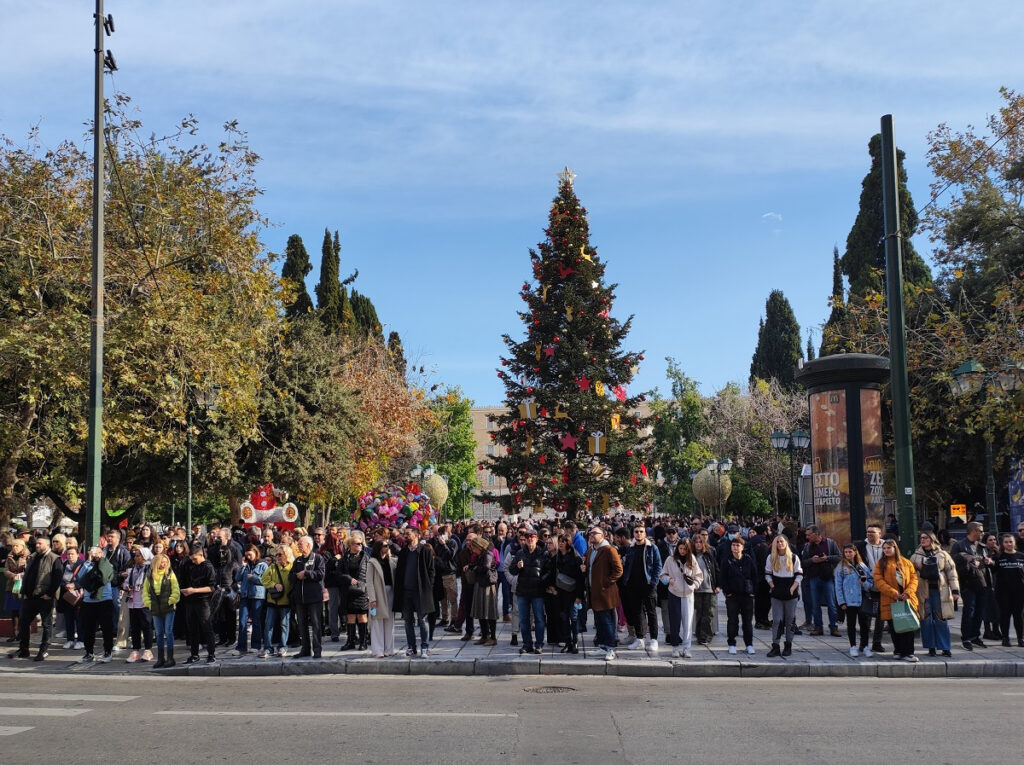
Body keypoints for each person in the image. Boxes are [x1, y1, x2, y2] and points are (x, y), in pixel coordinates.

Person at [10, 536, 63, 661]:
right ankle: (24, 649)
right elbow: (27, 575)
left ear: (47, 545)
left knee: (46, 625)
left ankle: (43, 650)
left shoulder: (54, 559)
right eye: (37, 543)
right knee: (24, 622)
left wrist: (49, 594)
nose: (37, 545)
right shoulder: (33, 557)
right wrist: (25, 592)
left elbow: (57, 578)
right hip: (30, 597)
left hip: (44, 598)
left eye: (40, 543)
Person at [910, 531, 959, 657]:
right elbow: (911, 574)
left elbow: (951, 573)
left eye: (925, 538)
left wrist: (955, 590)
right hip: (923, 591)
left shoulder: (943, 554)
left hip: (940, 591)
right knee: (925, 619)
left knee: (941, 618)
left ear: (932, 539)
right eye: (921, 538)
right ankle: (930, 647)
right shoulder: (915, 556)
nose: (922, 540)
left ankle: (945, 647)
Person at [874, 539, 920, 662]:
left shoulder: (906, 562)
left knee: (908, 627)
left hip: (907, 599)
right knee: (895, 627)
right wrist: (894, 593)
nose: (886, 550)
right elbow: (879, 581)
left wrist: (908, 592)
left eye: (889, 548)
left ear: (895, 548)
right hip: (890, 599)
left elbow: (914, 578)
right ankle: (898, 650)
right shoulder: (881, 564)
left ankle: (909, 652)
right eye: (884, 548)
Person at [394, 526, 436, 657]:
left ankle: (425, 646)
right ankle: (411, 647)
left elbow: (431, 571)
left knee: (422, 620)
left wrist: (428, 587)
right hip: (406, 592)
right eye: (405, 534)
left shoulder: (424, 551)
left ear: (416, 535)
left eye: (408, 534)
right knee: (408, 621)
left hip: (420, 591)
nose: (405, 536)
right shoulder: (403, 552)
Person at [621, 523, 662, 652]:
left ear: (645, 533)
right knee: (637, 613)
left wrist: (653, 582)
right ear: (633, 533)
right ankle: (639, 639)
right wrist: (626, 582)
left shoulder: (652, 548)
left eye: (641, 531)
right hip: (633, 586)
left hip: (648, 585)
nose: (639, 534)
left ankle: (654, 639)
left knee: (651, 612)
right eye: (636, 531)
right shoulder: (631, 549)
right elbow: (627, 566)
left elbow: (657, 566)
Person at [660, 538, 703, 658]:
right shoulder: (670, 559)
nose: (682, 551)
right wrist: (669, 580)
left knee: (688, 622)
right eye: (680, 548)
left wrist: (694, 586)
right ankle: (675, 647)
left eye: (685, 549)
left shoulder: (692, 559)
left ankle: (686, 648)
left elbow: (699, 576)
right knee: (674, 622)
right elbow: (662, 575)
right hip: (674, 593)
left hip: (688, 595)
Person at [951, 521, 991, 651]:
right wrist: (970, 563)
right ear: (973, 531)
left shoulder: (982, 546)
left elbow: (988, 563)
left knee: (980, 611)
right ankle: (966, 637)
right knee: (969, 611)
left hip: (982, 583)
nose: (982, 533)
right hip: (968, 583)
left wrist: (988, 562)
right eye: (981, 531)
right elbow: (953, 564)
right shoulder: (959, 545)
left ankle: (975, 636)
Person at [586, 526, 623, 661]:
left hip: (605, 592)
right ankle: (602, 646)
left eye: (594, 533)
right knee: (599, 620)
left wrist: (606, 582)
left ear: (603, 536)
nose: (591, 535)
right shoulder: (591, 550)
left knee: (607, 620)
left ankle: (611, 647)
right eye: (590, 533)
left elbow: (618, 570)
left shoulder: (609, 550)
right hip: (593, 591)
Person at [511, 526, 550, 655]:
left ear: (536, 539)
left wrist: (542, 580)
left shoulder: (543, 553)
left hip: (537, 591)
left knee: (539, 618)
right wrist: (517, 567)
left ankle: (539, 644)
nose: (529, 540)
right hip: (523, 591)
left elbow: (549, 570)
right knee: (523, 619)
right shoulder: (520, 553)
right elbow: (512, 570)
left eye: (532, 538)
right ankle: (527, 644)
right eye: (527, 538)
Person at [834, 544, 875, 657]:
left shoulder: (862, 566)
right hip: (849, 600)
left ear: (855, 552)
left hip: (862, 598)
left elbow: (870, 581)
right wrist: (841, 602)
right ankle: (853, 646)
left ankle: (865, 646)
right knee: (851, 624)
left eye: (850, 552)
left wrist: (864, 583)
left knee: (864, 624)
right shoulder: (841, 567)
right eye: (846, 552)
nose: (848, 554)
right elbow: (838, 586)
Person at [76, 546, 115, 663]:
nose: (95, 555)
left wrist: (99, 559)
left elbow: (103, 577)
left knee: (106, 628)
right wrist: (88, 561)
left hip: (104, 600)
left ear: (102, 554)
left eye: (97, 552)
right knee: (88, 629)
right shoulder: (87, 565)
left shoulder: (107, 565)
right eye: (92, 552)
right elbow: (80, 577)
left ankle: (108, 651)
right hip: (88, 601)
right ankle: (89, 653)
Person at [179, 544, 218, 665]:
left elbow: (212, 587)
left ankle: (211, 654)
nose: (194, 561)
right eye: (192, 559)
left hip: (203, 601)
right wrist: (184, 590)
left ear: (201, 555)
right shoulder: (189, 565)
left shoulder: (208, 567)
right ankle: (194, 654)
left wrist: (194, 590)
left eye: (195, 559)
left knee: (207, 627)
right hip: (190, 601)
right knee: (192, 629)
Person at [765, 534, 803, 657]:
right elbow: (767, 574)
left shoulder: (793, 557)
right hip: (777, 591)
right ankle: (775, 645)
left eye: (782, 541)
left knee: (790, 620)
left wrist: (793, 588)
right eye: (778, 542)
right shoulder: (771, 557)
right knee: (777, 620)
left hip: (790, 591)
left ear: (786, 543)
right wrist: (772, 586)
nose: (780, 544)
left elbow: (799, 574)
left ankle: (788, 645)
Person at [289, 535, 326, 659]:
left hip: (314, 598)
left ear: (308, 545)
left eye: (300, 544)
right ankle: (305, 649)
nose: (298, 546)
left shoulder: (318, 558)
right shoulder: (298, 560)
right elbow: (291, 577)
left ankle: (317, 650)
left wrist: (307, 573)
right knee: (302, 625)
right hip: (300, 598)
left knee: (316, 625)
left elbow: (320, 574)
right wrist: (298, 575)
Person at [800, 526, 841, 637]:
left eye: (809, 535)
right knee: (815, 604)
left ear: (816, 534)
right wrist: (812, 560)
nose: (807, 537)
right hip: (813, 578)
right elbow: (803, 563)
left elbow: (839, 557)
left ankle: (834, 627)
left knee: (831, 604)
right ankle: (818, 627)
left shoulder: (830, 543)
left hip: (827, 577)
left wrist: (826, 558)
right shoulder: (807, 547)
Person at [720, 536, 757, 655]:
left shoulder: (748, 559)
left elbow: (755, 576)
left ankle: (749, 644)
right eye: (733, 545)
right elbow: (723, 578)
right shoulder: (727, 560)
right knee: (732, 620)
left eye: (737, 545)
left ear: (742, 547)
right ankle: (731, 643)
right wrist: (727, 592)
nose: (735, 547)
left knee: (747, 621)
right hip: (733, 595)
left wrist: (753, 592)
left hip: (747, 595)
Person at [143, 551, 180, 668]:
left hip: (168, 606)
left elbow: (176, 590)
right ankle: (160, 658)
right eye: (161, 562)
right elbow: (145, 592)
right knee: (158, 633)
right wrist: (149, 604)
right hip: (155, 607)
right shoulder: (149, 576)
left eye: (165, 562)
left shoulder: (170, 574)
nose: (164, 564)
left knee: (168, 632)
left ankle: (170, 658)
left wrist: (171, 600)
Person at [854, 523, 887, 654]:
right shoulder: (861, 546)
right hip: (866, 586)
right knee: (864, 616)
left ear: (880, 533)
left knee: (881, 616)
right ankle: (864, 643)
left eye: (873, 532)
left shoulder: (887, 546)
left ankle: (877, 643)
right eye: (868, 532)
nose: (869, 534)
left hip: (883, 587)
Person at [336, 530, 370, 651]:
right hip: (348, 590)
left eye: (360, 543)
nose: (359, 545)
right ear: (350, 545)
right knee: (350, 616)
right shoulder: (344, 559)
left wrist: (366, 586)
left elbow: (369, 574)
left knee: (362, 616)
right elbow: (338, 574)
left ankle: (363, 641)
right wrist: (349, 579)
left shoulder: (366, 558)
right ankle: (350, 641)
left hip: (362, 591)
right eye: (356, 543)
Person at [553, 534, 585, 654]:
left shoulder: (575, 558)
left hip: (573, 593)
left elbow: (580, 578)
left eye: (563, 541)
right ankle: (568, 642)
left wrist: (579, 596)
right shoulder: (557, 557)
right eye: (559, 541)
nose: (560, 543)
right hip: (561, 593)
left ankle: (575, 642)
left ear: (568, 543)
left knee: (574, 618)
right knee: (564, 618)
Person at [260, 545, 293, 658]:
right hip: (272, 601)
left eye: (280, 554)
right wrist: (274, 585)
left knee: (284, 625)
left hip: (286, 601)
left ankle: (283, 646)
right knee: (268, 625)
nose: (278, 557)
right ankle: (268, 648)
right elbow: (264, 579)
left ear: (286, 555)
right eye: (276, 555)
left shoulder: (292, 567)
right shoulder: (273, 567)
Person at [366, 540, 397, 658]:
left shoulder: (391, 561)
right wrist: (372, 598)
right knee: (377, 621)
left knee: (389, 622)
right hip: (378, 594)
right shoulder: (372, 562)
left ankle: (389, 649)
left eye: (388, 545)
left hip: (390, 593)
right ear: (379, 548)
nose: (388, 547)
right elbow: (369, 582)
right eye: (385, 546)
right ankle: (378, 650)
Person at [234, 545, 268, 656]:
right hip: (245, 595)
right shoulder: (246, 565)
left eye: (250, 554)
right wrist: (242, 567)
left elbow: (266, 580)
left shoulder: (263, 565)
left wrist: (253, 578)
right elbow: (237, 578)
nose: (248, 556)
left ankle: (256, 645)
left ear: (255, 552)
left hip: (257, 595)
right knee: (242, 621)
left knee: (256, 621)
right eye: (247, 554)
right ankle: (241, 647)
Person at [124, 547, 155, 663]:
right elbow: (127, 581)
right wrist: (126, 586)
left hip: (144, 601)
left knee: (147, 626)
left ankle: (148, 650)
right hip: (133, 602)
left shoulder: (149, 569)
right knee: (135, 627)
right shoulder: (132, 570)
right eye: (135, 556)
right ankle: (135, 650)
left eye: (138, 556)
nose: (136, 558)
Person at [993, 534, 1024, 647]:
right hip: (1003, 592)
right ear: (1003, 544)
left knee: (1019, 616)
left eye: (1010, 542)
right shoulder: (998, 557)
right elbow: (993, 570)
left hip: (1019, 592)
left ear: (1014, 543)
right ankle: (1005, 638)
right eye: (1006, 542)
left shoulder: (1021, 556)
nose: (1009, 544)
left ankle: (1020, 638)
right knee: (1004, 616)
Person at [469, 537, 499, 647]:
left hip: (487, 585)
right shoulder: (480, 555)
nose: (472, 550)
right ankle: (484, 635)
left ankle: (493, 637)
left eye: (473, 547)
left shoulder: (488, 554)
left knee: (489, 611)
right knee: (481, 611)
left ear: (479, 546)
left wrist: (476, 568)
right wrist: (471, 566)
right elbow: (477, 564)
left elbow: (486, 567)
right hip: (480, 583)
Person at [691, 533, 718, 646]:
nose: (698, 544)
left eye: (700, 542)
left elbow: (716, 569)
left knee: (708, 613)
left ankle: (706, 636)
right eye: (696, 542)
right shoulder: (691, 556)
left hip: (709, 588)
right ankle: (699, 635)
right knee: (699, 613)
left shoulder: (709, 554)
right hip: (696, 589)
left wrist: (717, 585)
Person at [57, 546, 85, 650]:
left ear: (78, 555)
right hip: (66, 595)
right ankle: (70, 639)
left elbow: (85, 579)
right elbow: (59, 578)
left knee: (79, 618)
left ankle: (81, 640)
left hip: (78, 596)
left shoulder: (82, 565)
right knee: (68, 618)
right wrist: (65, 585)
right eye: (68, 554)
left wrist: (75, 585)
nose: (70, 556)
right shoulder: (64, 565)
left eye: (72, 554)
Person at [3, 539, 29, 643]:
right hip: (11, 586)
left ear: (23, 547)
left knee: (22, 611)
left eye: (17, 546)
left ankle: (22, 633)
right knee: (13, 611)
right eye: (13, 546)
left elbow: (29, 570)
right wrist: (13, 576)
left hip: (23, 587)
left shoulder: (28, 556)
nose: (14, 548)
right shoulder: (9, 557)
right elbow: (6, 570)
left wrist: (21, 575)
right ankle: (15, 633)